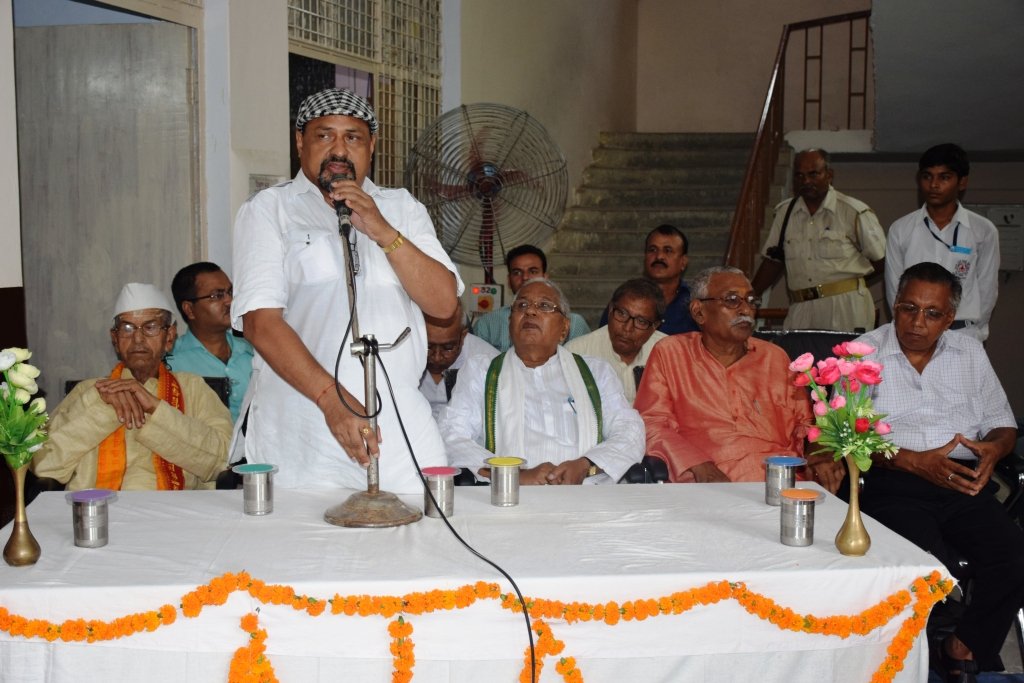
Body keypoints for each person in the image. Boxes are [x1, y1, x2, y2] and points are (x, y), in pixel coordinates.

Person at [230, 87, 461, 493]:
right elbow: (260, 324)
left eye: (352, 137)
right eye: (324, 135)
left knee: (423, 525)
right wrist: (330, 398)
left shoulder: (402, 208)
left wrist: (383, 231)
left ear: (371, 146)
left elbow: (443, 304)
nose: (339, 149)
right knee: (307, 533)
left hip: (399, 424)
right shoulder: (269, 210)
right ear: (300, 142)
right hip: (305, 424)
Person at [854, 262, 1023, 679]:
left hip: (961, 479)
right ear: (894, 304)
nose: (917, 322)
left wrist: (994, 448)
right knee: (923, 566)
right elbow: (847, 437)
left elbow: (1002, 424)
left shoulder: (970, 353)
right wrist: (912, 460)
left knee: (1012, 555)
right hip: (893, 475)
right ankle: (911, 654)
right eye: (909, 308)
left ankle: (961, 645)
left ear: (949, 318)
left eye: (932, 313)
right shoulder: (861, 353)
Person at [635, 267, 840, 486]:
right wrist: (699, 465)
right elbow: (652, 423)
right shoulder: (671, 353)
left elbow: (806, 424)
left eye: (751, 301)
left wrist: (820, 451)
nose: (746, 310)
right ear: (699, 312)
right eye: (732, 300)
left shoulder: (775, 358)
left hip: (778, 482)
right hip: (704, 485)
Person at [440, 278, 644, 485]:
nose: (530, 311)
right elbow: (452, 434)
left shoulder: (596, 372)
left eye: (545, 306)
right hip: (510, 494)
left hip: (587, 490)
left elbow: (630, 430)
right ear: (510, 322)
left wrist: (586, 465)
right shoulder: (481, 371)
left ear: (564, 328)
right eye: (522, 305)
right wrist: (513, 476)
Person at [31, 283, 233, 491]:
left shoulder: (193, 388)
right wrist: (103, 408)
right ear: (115, 339)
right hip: (98, 508)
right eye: (127, 328)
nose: (138, 339)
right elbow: (43, 465)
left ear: (170, 336)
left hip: (174, 509)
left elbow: (223, 460)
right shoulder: (91, 391)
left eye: (150, 327)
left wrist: (156, 409)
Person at [751, 148, 886, 332]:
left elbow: (882, 260)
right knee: (796, 352)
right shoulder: (785, 213)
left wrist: (850, 282)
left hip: (845, 307)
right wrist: (749, 297)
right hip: (800, 306)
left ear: (829, 175)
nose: (806, 181)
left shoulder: (853, 211)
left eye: (813, 174)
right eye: (799, 175)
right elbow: (773, 262)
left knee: (846, 352)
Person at [885, 144, 999, 342]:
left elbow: (987, 290)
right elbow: (894, 289)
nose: (934, 185)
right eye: (927, 176)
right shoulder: (901, 229)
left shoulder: (983, 230)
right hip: (914, 330)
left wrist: (975, 333)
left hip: (963, 331)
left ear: (962, 182)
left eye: (944, 177)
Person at [169, 262, 254, 422]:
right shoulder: (171, 363)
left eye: (230, 292)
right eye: (217, 296)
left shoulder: (253, 352)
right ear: (189, 309)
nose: (229, 301)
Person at [566, 278, 667, 404]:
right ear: (610, 309)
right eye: (622, 314)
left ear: (655, 326)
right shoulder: (576, 353)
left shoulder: (669, 354)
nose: (627, 328)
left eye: (641, 321)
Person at [472, 244, 590, 351]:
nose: (525, 277)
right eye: (517, 272)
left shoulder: (574, 323)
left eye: (533, 271)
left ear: (545, 277)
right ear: (508, 280)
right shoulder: (486, 324)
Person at [600, 224, 698, 335]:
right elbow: (603, 339)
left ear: (683, 262)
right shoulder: (625, 299)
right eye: (652, 250)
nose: (659, 256)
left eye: (668, 250)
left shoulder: (695, 303)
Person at [418, 301, 498, 421]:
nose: (437, 357)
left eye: (448, 347)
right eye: (428, 346)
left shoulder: (489, 364)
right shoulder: (402, 352)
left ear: (463, 336)